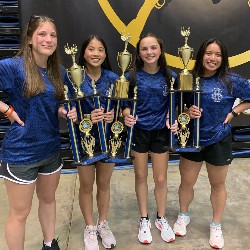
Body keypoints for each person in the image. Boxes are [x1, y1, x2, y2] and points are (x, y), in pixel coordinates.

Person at [0, 15, 77, 250]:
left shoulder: (59, 71)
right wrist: (7, 111)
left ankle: (48, 243)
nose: (48, 39)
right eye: (42, 34)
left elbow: (57, 105)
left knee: (48, 199)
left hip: (51, 149)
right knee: (19, 213)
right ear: (30, 39)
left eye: (52, 35)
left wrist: (64, 112)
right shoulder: (12, 67)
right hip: (21, 153)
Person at [173, 38, 250, 249]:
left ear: (223, 58)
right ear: (201, 55)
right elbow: (176, 104)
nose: (212, 58)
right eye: (208, 53)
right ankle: (183, 215)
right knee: (186, 182)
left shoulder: (231, 80)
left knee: (218, 185)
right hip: (192, 138)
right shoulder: (189, 78)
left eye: (217, 55)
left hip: (219, 139)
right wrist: (186, 112)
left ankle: (216, 225)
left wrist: (234, 112)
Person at [123, 33, 178, 244]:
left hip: (160, 133)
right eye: (145, 49)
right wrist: (127, 115)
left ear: (160, 50)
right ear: (139, 53)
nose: (149, 52)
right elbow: (124, 105)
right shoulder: (131, 77)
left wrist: (171, 116)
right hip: (139, 132)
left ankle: (161, 218)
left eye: (153, 48)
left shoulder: (170, 76)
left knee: (161, 178)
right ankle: (144, 219)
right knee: (140, 176)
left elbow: (175, 103)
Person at [77, 35, 118, 250]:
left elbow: (123, 108)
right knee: (86, 185)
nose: (96, 53)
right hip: (83, 141)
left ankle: (103, 223)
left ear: (105, 54)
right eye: (91, 49)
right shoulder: (72, 77)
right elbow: (66, 108)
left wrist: (114, 116)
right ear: (84, 52)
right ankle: (90, 226)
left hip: (109, 139)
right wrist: (85, 119)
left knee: (104, 183)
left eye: (100, 49)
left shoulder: (113, 77)